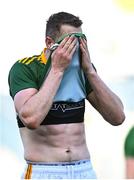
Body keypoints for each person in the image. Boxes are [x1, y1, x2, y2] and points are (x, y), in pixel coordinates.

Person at [8, 12, 125, 179]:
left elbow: (118, 117)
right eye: (69, 42)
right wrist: (57, 70)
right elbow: (30, 118)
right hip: (44, 170)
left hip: (84, 169)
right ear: (50, 43)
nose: (75, 48)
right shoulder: (25, 68)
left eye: (80, 41)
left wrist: (90, 71)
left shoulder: (83, 71)